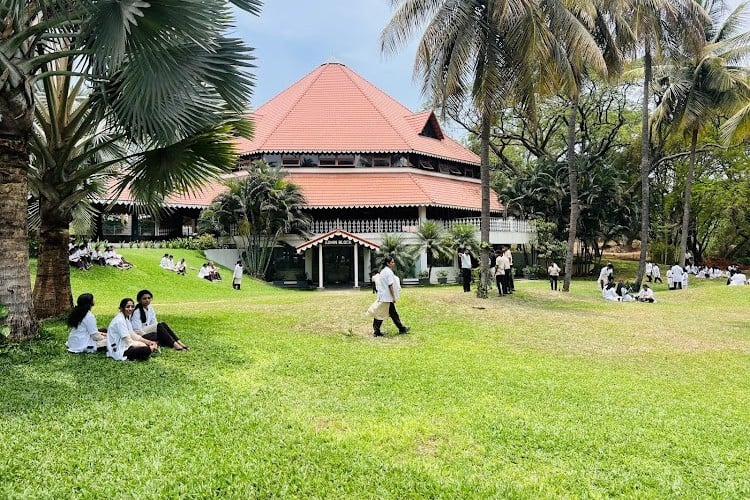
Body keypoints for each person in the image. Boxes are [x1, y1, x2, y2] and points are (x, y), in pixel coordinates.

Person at [369, 256, 410, 336]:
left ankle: (401, 328)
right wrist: (393, 297)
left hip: (383, 296)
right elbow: (390, 285)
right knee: (380, 314)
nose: (393, 263)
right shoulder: (388, 272)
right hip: (387, 297)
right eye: (392, 262)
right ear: (388, 263)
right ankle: (376, 331)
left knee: (392, 314)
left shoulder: (383, 271)